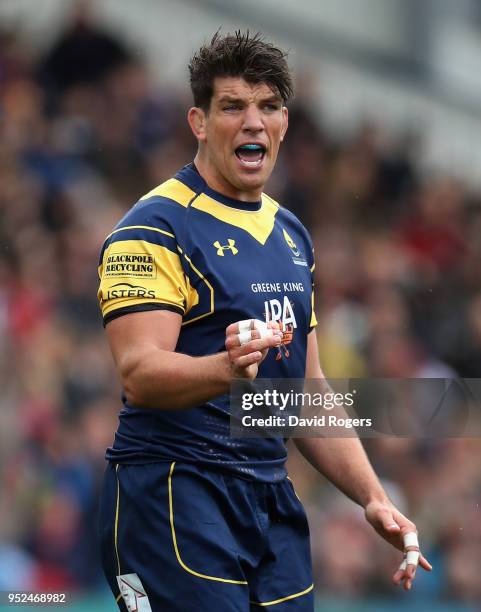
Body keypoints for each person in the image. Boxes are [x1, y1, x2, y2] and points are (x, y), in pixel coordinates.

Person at [97, 31, 431, 611]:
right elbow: (139, 373)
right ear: (199, 122)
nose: (253, 122)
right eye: (233, 107)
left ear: (284, 123)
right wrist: (225, 369)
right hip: (174, 494)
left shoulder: (291, 235)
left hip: (268, 498)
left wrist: (372, 496)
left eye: (269, 107)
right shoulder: (154, 228)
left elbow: (304, 392)